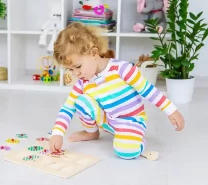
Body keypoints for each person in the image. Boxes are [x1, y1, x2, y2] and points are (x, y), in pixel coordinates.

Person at [49, 22, 185, 160]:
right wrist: (57, 133)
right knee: (81, 101)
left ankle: (135, 140)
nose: (76, 74)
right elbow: (68, 107)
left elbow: (148, 90)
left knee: (125, 152)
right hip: (109, 121)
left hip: (132, 120)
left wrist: (171, 110)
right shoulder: (83, 81)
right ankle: (92, 133)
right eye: (71, 70)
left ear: (94, 53)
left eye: (78, 66)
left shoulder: (122, 69)